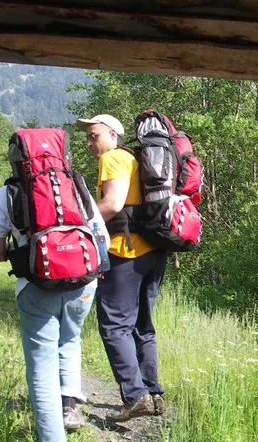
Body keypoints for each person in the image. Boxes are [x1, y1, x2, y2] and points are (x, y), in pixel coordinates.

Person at [0, 172, 100, 442]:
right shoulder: (75, 184)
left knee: (41, 366)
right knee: (71, 339)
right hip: (82, 283)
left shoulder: (6, 194)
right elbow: (102, 237)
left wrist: (20, 250)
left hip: (35, 286)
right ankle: (69, 407)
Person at [77, 114, 167, 421]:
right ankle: (153, 395)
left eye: (94, 136)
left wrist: (79, 223)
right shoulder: (136, 159)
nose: (90, 143)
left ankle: (134, 396)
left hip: (126, 251)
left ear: (113, 135)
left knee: (115, 326)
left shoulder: (113, 158)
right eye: (88, 137)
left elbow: (113, 204)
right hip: (153, 250)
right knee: (142, 326)